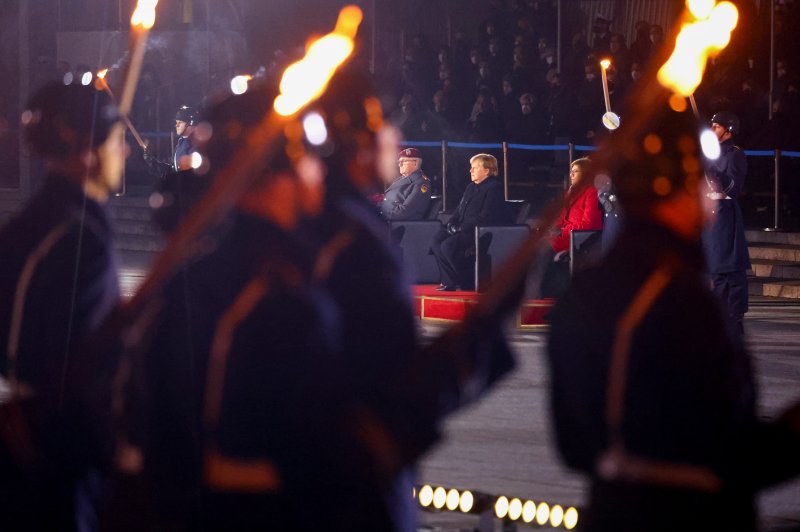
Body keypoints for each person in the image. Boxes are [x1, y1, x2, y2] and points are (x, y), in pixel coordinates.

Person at [547, 107, 800, 532]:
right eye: (698, 185)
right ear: (674, 193)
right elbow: (726, 449)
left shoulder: (588, 288)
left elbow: (574, 443)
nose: (707, 201)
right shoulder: (678, 299)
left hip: (611, 509)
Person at [110, 86, 337, 531]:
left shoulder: (194, 277)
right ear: (280, 173)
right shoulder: (274, 294)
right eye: (310, 162)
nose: (318, 176)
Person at [0, 83, 125, 531]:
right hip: (58, 457)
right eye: (116, 139)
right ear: (88, 150)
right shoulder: (75, 240)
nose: (124, 151)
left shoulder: (44, 224)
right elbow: (76, 366)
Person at [701, 111, 750, 337]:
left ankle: (733, 317)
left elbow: (733, 189)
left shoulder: (734, 155)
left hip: (724, 215)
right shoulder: (709, 153)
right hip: (708, 216)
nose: (712, 130)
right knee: (714, 270)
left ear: (728, 129)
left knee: (728, 269)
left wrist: (714, 174)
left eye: (716, 127)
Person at [431, 153, 508, 291]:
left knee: (448, 246)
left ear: (487, 170)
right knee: (437, 240)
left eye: (475, 167)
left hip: (479, 231)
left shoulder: (494, 188)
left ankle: (468, 282)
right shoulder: (471, 187)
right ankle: (450, 282)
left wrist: (461, 228)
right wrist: (451, 223)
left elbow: (485, 216)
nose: (470, 170)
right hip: (463, 229)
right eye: (471, 167)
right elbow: (459, 210)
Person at [533, 157, 603, 298]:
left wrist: (561, 231)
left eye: (575, 172)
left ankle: (544, 291)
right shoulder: (570, 192)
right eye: (571, 171)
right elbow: (561, 218)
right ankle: (539, 289)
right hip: (566, 234)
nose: (570, 175)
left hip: (581, 236)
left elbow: (588, 224)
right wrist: (551, 229)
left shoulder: (592, 193)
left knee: (543, 248)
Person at [143, 105, 198, 178]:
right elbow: (172, 170)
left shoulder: (198, 145)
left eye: (180, 122)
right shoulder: (181, 144)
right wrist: (152, 162)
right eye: (176, 122)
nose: (176, 125)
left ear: (190, 123)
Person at [380, 147, 432, 220]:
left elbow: (404, 212)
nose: (399, 165)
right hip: (387, 217)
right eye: (399, 162)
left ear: (415, 163)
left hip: (401, 225)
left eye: (403, 161)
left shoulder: (421, 183)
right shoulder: (402, 178)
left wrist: (380, 216)